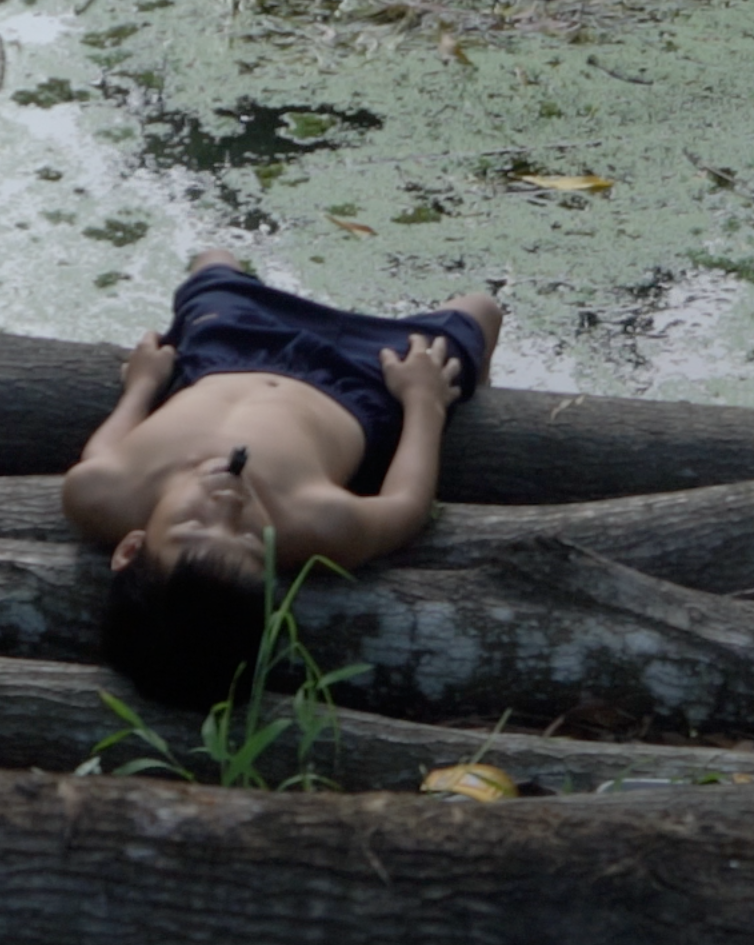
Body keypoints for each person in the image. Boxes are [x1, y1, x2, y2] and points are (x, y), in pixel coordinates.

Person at [60, 249, 504, 703]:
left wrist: (142, 386)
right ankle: (481, 388)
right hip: (363, 377)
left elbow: (104, 452)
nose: (228, 505)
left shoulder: (97, 495)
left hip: (225, 348)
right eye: (251, 540)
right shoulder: (320, 526)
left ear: (131, 549)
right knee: (481, 309)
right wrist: (423, 403)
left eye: (193, 525)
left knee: (213, 262)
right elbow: (405, 505)